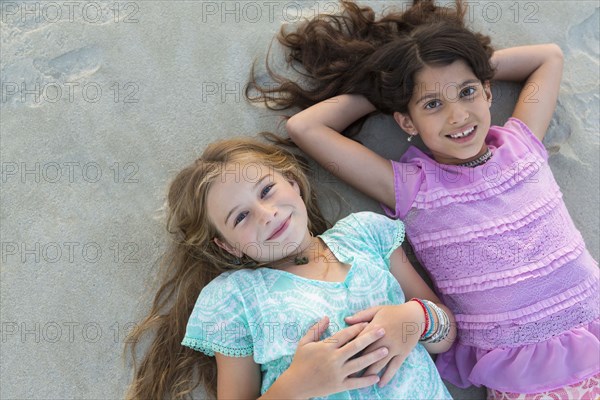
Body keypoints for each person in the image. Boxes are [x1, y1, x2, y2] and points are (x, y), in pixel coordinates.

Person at [247, 0, 600, 398]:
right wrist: (393, 89)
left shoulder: (521, 143)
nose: (458, 115)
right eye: (432, 104)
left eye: (468, 93)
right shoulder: (412, 187)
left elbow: (548, 58)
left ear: (487, 92)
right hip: (526, 374)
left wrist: (454, 69)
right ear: (407, 122)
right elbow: (306, 127)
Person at [125, 137, 457, 399]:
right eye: (241, 217)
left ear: (293, 182)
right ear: (227, 246)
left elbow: (447, 333)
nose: (266, 214)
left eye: (267, 191)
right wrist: (298, 385)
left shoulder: (366, 234)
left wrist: (415, 318)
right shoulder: (235, 298)